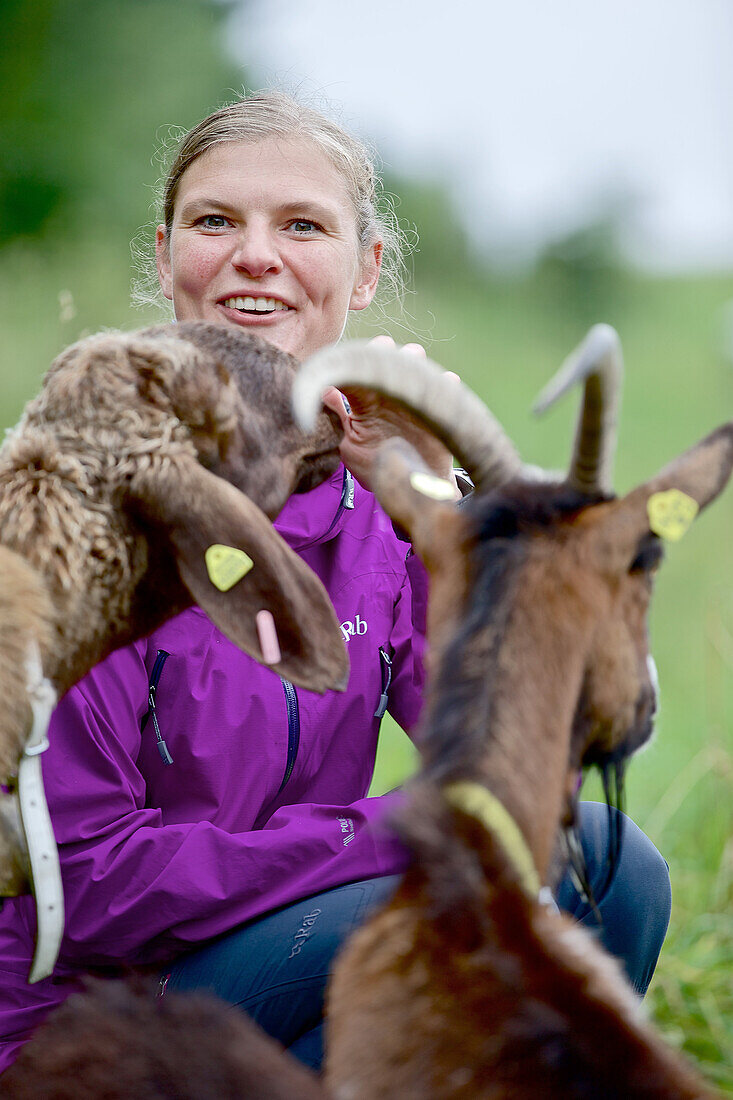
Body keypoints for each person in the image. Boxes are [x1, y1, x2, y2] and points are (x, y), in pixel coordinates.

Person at [0, 91, 671, 1075]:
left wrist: (434, 502)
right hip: (84, 1015)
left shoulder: (372, 506)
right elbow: (87, 882)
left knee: (613, 865)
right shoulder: (74, 499)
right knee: (418, 906)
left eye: (301, 225)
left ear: (364, 272)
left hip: (289, 944)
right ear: (165, 254)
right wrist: (378, 834)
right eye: (215, 220)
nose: (255, 255)